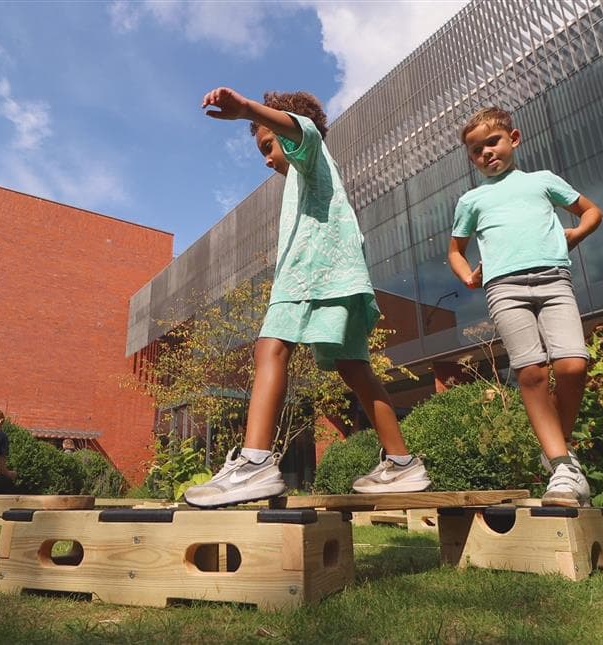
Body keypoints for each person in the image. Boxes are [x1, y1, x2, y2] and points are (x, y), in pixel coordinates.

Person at [184, 87, 431, 508]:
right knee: (355, 368)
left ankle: (255, 462)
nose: (266, 159)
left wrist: (246, 109)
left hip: (311, 275)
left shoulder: (310, 151)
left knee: (270, 347)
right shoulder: (309, 175)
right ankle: (403, 462)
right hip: (342, 278)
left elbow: (301, 130)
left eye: (267, 145)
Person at [447, 106, 603, 507]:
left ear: (513, 139)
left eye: (493, 142)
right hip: (504, 288)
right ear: (471, 158)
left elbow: (591, 211)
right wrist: (467, 276)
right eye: (476, 150)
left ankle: (558, 449)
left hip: (554, 280)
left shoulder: (542, 182)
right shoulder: (472, 199)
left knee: (573, 365)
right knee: (531, 373)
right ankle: (562, 466)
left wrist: (572, 237)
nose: (486, 153)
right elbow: (455, 250)